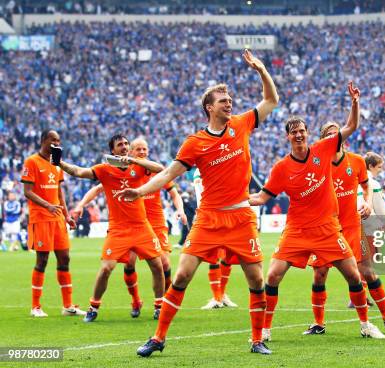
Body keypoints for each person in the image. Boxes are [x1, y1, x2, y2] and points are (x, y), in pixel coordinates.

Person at [118, 49, 279, 356]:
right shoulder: (195, 143)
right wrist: (140, 191)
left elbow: (271, 101)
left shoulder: (242, 124)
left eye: (230, 99)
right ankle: (158, 338)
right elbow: (168, 173)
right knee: (181, 275)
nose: (229, 103)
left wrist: (261, 70)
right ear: (209, 108)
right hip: (208, 218)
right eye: (223, 100)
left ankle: (257, 339)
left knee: (257, 279)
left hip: (241, 217)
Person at [250, 82, 385, 342]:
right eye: (294, 132)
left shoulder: (323, 150)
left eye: (302, 131)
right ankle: (265, 329)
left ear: (308, 133)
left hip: (327, 229)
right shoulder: (281, 168)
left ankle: (366, 324)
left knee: (354, 275)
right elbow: (261, 197)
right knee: (272, 275)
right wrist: (238, 199)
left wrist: (355, 103)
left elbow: (350, 127)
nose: (299, 135)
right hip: (297, 231)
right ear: (287, 136)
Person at [304, 122, 385, 336]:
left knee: (366, 272)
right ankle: (318, 323)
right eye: (329, 135)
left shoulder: (357, 161)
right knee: (320, 274)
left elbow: (367, 186)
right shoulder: (315, 163)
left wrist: (367, 202)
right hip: (325, 227)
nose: (334, 137)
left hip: (351, 225)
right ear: (323, 140)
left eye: (336, 134)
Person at [72, 137, 187, 319]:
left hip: (152, 223)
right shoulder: (116, 172)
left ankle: (162, 303)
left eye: (144, 149)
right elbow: (94, 186)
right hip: (123, 226)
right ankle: (132, 301)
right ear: (130, 152)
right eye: (137, 149)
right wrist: (80, 205)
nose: (141, 152)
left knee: (162, 264)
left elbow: (171, 187)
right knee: (125, 265)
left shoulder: (150, 171)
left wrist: (180, 210)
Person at [21, 129, 85, 317]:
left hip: (57, 217)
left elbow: (59, 191)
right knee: (42, 260)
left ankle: (67, 306)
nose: (56, 143)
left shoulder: (57, 164)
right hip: (40, 217)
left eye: (58, 140)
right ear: (43, 140)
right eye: (52, 140)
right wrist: (48, 206)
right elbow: (27, 191)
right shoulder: (31, 161)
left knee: (65, 258)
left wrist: (66, 215)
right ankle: (35, 307)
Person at [194, 168, 238, 310]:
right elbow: (201, 195)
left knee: (227, 256)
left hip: (228, 214)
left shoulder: (224, 166)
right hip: (209, 216)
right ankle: (216, 297)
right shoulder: (200, 172)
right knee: (213, 257)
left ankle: (222, 295)